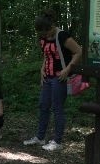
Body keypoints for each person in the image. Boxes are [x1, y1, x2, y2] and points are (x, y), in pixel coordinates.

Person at [22, 9, 82, 151]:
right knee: (43, 106)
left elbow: (79, 51)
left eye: (45, 32)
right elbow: (47, 56)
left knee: (57, 108)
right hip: (47, 77)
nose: (44, 35)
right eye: (41, 34)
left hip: (59, 77)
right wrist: (42, 69)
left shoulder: (62, 36)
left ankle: (57, 141)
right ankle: (40, 137)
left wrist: (67, 69)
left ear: (51, 27)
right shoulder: (43, 38)